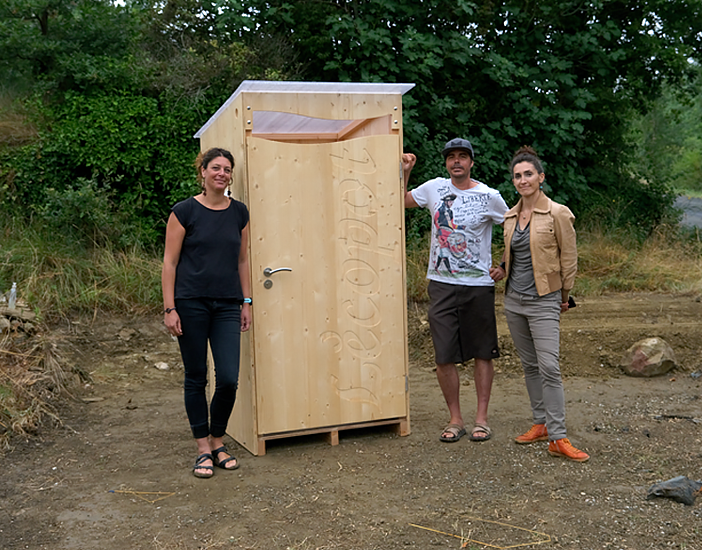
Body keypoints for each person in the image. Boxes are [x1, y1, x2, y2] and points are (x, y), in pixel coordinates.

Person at [403, 138, 508, 443]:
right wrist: (407, 171)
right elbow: (399, 200)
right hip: (442, 283)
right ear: (446, 163)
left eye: (463, 157)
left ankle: (481, 420)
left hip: (478, 284)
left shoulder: (489, 195)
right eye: (451, 157)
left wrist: (503, 264)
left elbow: (516, 225)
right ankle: (455, 418)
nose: (457, 162)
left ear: (472, 162)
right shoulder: (434, 188)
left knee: (482, 352)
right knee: (443, 354)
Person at [492, 145, 589, 462]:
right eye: (517, 175)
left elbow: (568, 258)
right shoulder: (509, 215)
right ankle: (541, 424)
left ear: (540, 177)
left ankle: (559, 436)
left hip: (545, 300)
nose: (522, 180)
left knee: (549, 367)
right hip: (514, 301)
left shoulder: (558, 213)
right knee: (530, 365)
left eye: (528, 174)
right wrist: (502, 268)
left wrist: (564, 296)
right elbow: (513, 254)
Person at [162, 147, 252, 478]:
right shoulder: (184, 211)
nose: (222, 173)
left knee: (228, 378)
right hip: (190, 304)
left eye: (227, 169)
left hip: (228, 304)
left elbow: (242, 260)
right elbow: (169, 263)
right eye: (215, 167)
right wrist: (170, 308)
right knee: (196, 375)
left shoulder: (239, 212)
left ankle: (218, 439)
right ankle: (203, 447)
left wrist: (247, 301)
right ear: (202, 171)